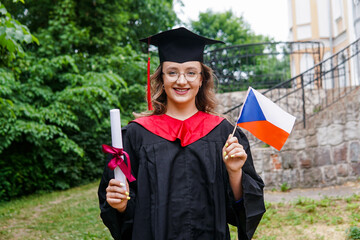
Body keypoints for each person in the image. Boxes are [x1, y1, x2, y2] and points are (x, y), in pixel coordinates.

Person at [98, 27, 265, 240]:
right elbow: (118, 205)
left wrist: (234, 172)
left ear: (202, 78)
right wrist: (120, 205)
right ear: (162, 77)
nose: (181, 81)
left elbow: (242, 209)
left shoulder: (223, 132)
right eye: (172, 72)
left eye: (191, 72)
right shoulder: (136, 134)